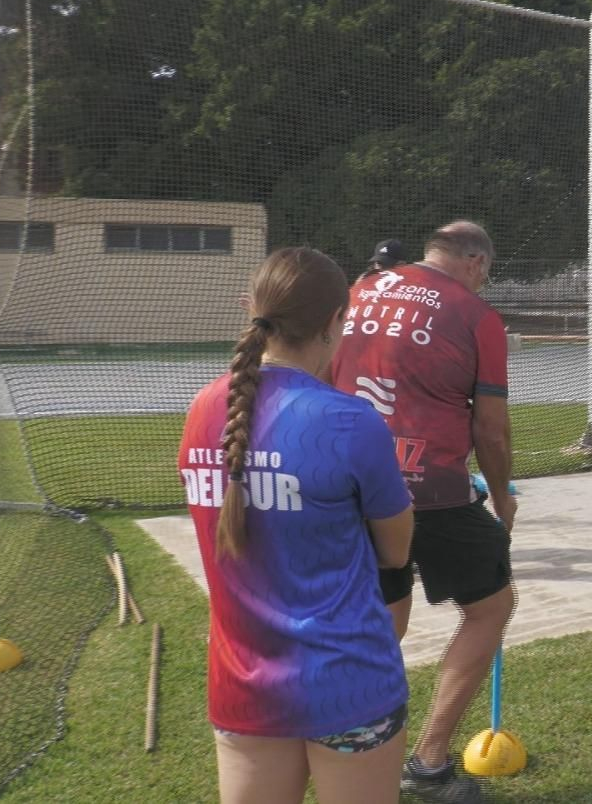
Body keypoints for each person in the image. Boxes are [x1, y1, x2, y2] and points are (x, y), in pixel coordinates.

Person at [179, 247, 416, 804]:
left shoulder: (201, 409)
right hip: (347, 682)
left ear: (252, 309)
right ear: (338, 319)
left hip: (242, 682)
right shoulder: (349, 421)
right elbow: (396, 552)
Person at [331, 220, 515, 803]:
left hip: (343, 478)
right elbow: (490, 426)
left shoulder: (359, 291)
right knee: (491, 607)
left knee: (387, 619)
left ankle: (354, 754)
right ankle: (429, 759)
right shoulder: (476, 314)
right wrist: (504, 494)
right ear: (475, 262)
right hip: (427, 489)